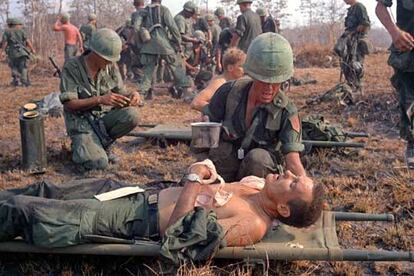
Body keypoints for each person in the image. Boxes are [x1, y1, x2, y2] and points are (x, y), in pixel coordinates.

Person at [0, 161, 325, 253]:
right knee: (44, 188)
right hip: (134, 193)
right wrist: (207, 178)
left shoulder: (251, 224)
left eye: (293, 183)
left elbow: (178, 235)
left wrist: (194, 176)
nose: (287, 174)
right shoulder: (255, 185)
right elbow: (213, 193)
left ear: (283, 209)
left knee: (24, 211)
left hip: (134, 218)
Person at [198, 33, 306, 182]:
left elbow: (293, 161)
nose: (269, 88)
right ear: (252, 75)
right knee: (221, 151)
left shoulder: (287, 112)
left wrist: (306, 191)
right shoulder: (227, 93)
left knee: (258, 158)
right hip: (222, 172)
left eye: (276, 82)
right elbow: (203, 139)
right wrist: (199, 172)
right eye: (263, 80)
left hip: (258, 181)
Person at [59, 28, 140, 171]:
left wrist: (133, 95)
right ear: (95, 53)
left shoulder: (110, 67)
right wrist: (99, 100)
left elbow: (122, 92)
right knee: (99, 164)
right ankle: (83, 145)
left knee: (132, 115)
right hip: (81, 123)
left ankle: (103, 144)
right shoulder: (72, 67)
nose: (110, 63)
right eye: (107, 59)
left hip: (101, 119)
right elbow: (69, 103)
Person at [375, 0, 414, 168]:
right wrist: (394, 32)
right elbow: (380, 7)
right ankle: (412, 145)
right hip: (409, 50)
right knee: (409, 100)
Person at [135, 0, 192, 100]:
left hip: (148, 45)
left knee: (148, 71)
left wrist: (140, 44)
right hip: (164, 44)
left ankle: (141, 95)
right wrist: (177, 41)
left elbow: (136, 28)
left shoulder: (143, 11)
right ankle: (186, 92)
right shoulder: (164, 10)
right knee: (176, 67)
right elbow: (173, 27)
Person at [191, 47, 246, 112]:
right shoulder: (219, 83)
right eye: (241, 66)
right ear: (230, 68)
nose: (245, 70)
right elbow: (196, 102)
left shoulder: (234, 82)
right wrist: (217, 113)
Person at [334, 0, 370, 94]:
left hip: (357, 42)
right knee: (346, 64)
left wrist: (354, 32)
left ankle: (358, 88)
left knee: (356, 65)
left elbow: (365, 24)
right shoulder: (351, 9)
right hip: (349, 41)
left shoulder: (359, 7)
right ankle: (350, 87)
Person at [0, 18, 35, 87]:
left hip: (12, 53)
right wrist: (32, 49)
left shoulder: (7, 32)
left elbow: (4, 43)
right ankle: (24, 83)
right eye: (20, 24)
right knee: (23, 67)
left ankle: (16, 81)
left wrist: (2, 52)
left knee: (14, 67)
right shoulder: (22, 31)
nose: (20, 26)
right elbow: (27, 41)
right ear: (16, 24)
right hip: (22, 52)